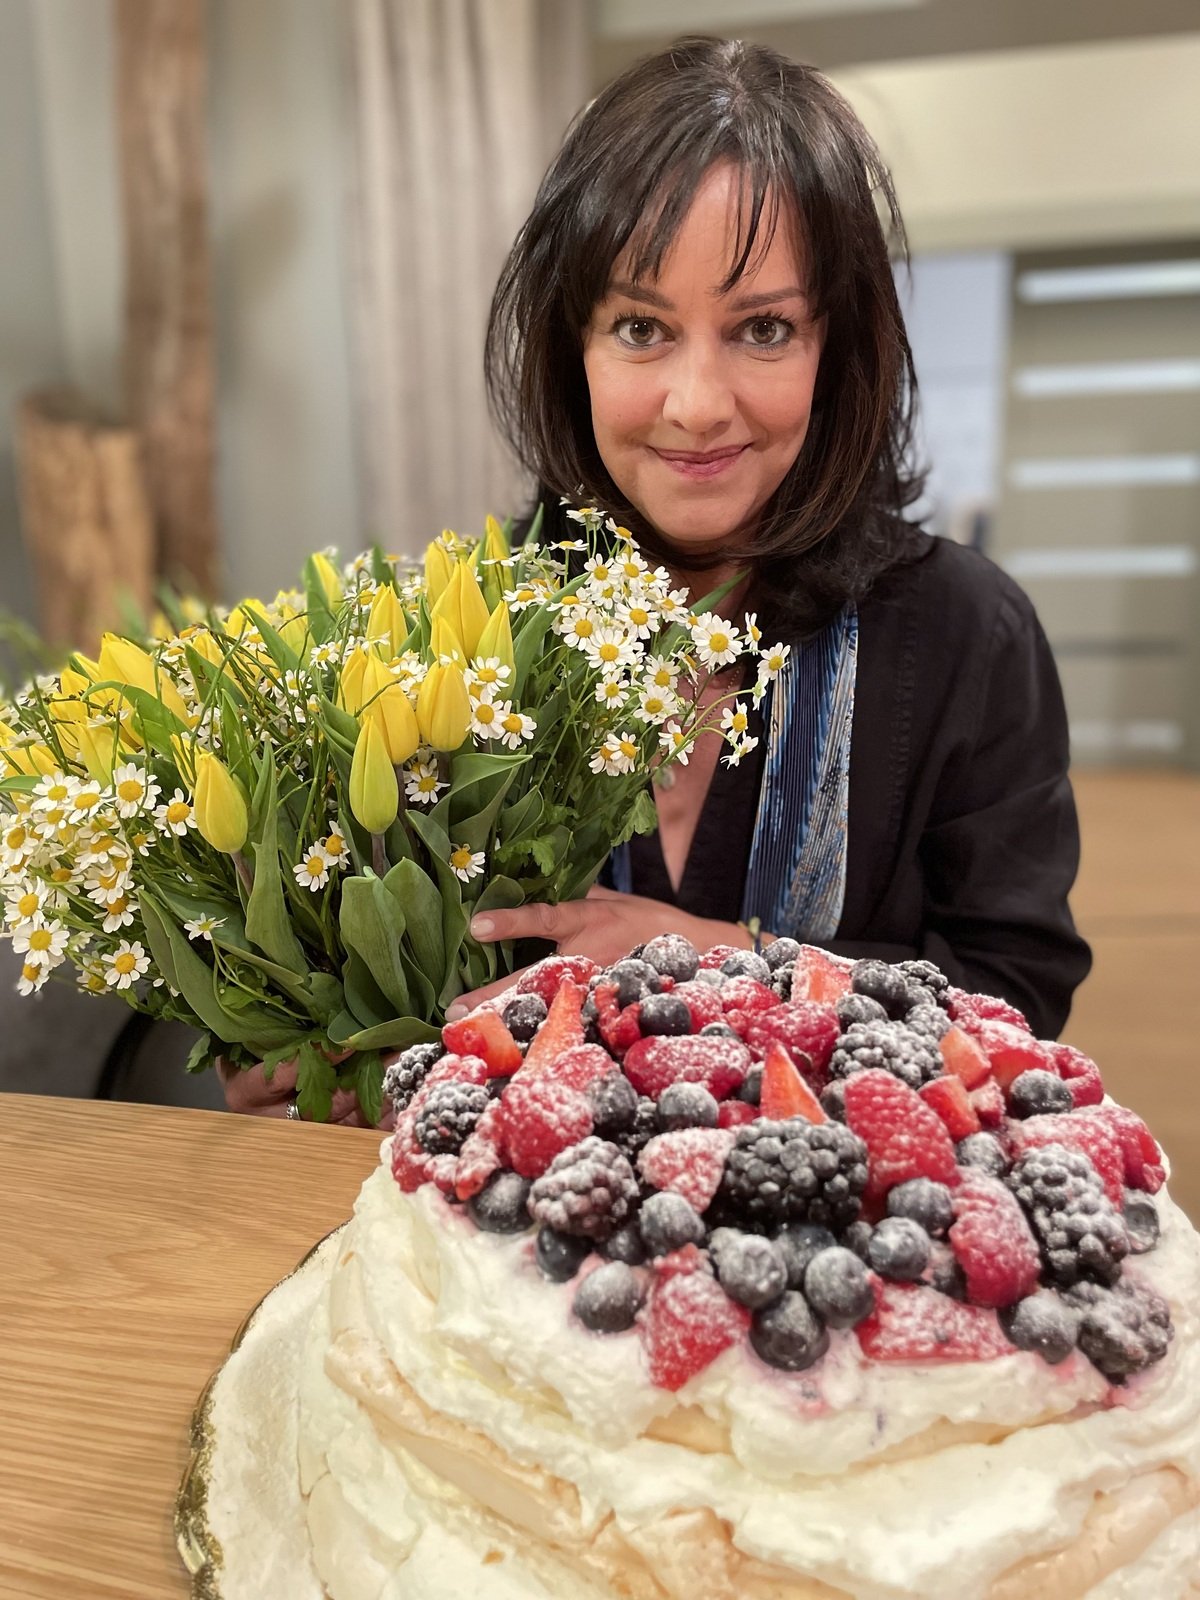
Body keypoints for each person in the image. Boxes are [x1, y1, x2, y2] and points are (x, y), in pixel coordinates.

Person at [223, 35, 1090, 1121]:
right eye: (641, 327)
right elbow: (422, 999)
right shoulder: (467, 635)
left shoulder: (966, 633)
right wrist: (326, 1048)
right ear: (570, 348)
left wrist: (712, 956)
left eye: (763, 329)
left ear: (840, 348)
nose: (694, 403)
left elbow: (1012, 1005)